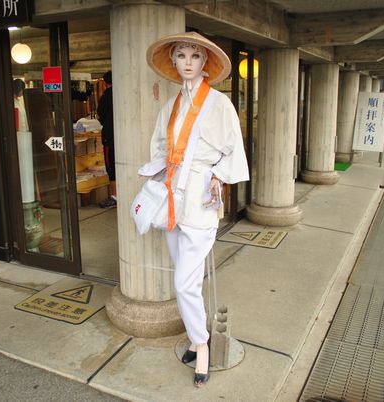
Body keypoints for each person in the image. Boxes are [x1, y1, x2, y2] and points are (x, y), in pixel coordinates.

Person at [142, 32, 249, 387]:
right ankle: (195, 336)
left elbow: (233, 150)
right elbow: (160, 145)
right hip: (174, 198)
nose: (188, 62)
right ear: (173, 62)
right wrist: (155, 172)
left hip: (200, 199)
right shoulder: (170, 107)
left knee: (183, 282)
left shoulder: (219, 104)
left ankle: (201, 345)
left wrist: (218, 176)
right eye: (182, 56)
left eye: (194, 57)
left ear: (205, 63)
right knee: (185, 277)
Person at [97, 71, 117, 208]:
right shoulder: (123, 93)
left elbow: (100, 116)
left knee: (111, 167)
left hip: (110, 136)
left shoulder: (106, 97)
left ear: (105, 83)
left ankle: (115, 197)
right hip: (123, 136)